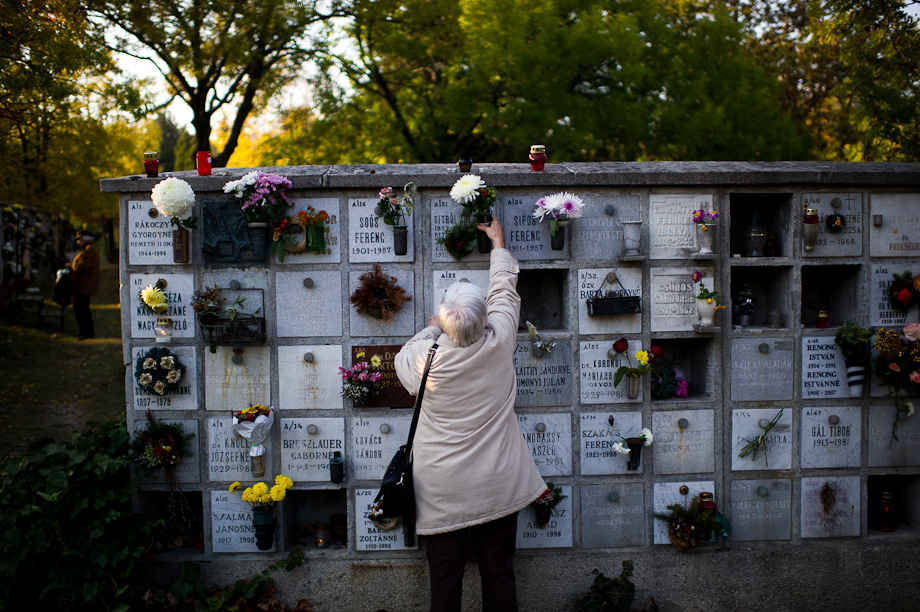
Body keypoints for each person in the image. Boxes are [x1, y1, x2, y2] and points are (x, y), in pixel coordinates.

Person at [395, 219, 546, 612]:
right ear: (483, 322)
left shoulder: (424, 363)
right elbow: (503, 293)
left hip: (443, 490)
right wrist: (497, 243)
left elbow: (399, 360)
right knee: (499, 573)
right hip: (497, 483)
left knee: (445, 581)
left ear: (444, 320)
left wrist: (429, 333)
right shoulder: (499, 343)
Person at [68, 230, 100, 339]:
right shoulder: (87, 249)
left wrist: (72, 266)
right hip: (83, 283)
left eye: (79, 239)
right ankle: (83, 331)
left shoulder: (89, 249)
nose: (78, 242)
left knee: (82, 309)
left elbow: (82, 266)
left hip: (85, 284)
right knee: (81, 309)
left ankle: (86, 332)